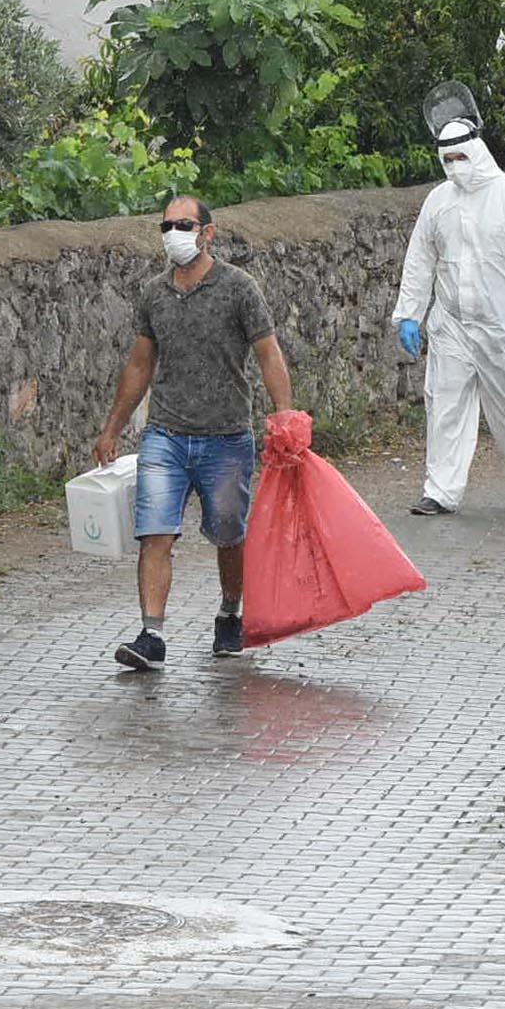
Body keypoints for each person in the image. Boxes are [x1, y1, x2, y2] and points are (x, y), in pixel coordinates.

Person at [92, 194, 295, 670]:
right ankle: (151, 635)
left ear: (208, 232)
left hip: (225, 437)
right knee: (155, 532)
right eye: (165, 226)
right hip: (165, 434)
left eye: (183, 225)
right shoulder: (154, 294)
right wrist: (112, 429)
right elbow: (140, 364)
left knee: (229, 533)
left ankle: (229, 612)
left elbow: (268, 353)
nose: (173, 235)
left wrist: (285, 416)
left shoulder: (239, 288)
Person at [392, 93, 505, 516]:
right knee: (445, 404)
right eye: (447, 159)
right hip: (452, 325)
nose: (455, 166)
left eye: (460, 156)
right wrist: (409, 314)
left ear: (477, 150)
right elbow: (420, 261)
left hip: (503, 328)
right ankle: (441, 490)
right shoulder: (438, 202)